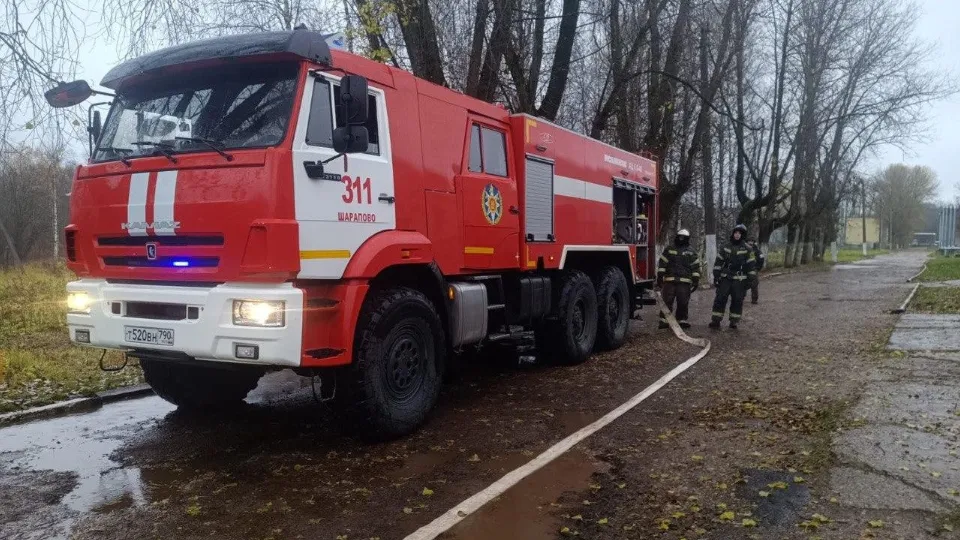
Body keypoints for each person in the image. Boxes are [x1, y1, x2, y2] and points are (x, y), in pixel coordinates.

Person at [710, 224, 756, 329]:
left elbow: (751, 266)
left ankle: (734, 321)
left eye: (739, 233)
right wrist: (716, 276)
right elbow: (718, 262)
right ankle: (716, 320)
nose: (737, 235)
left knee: (737, 300)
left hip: (740, 280)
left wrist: (750, 280)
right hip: (726, 277)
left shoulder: (748, 249)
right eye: (736, 232)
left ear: (743, 235)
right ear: (733, 233)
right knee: (720, 298)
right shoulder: (726, 246)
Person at [656, 229, 700, 329]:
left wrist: (696, 280)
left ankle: (682, 320)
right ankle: (664, 321)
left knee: (683, 302)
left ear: (687, 239)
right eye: (680, 236)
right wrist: (660, 276)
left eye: (684, 237)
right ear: (677, 237)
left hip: (684, 282)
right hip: (670, 280)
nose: (681, 238)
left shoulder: (691, 252)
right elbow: (662, 263)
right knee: (667, 301)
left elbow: (696, 267)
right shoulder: (669, 249)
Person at [746, 238, 765, 304]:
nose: (750, 242)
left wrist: (758, 268)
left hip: (753, 269)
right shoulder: (743, 249)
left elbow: (761, 259)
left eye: (751, 241)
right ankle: (740, 297)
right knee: (741, 284)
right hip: (744, 269)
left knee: (754, 284)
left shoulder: (757, 251)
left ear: (753, 242)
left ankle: (754, 299)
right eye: (749, 241)